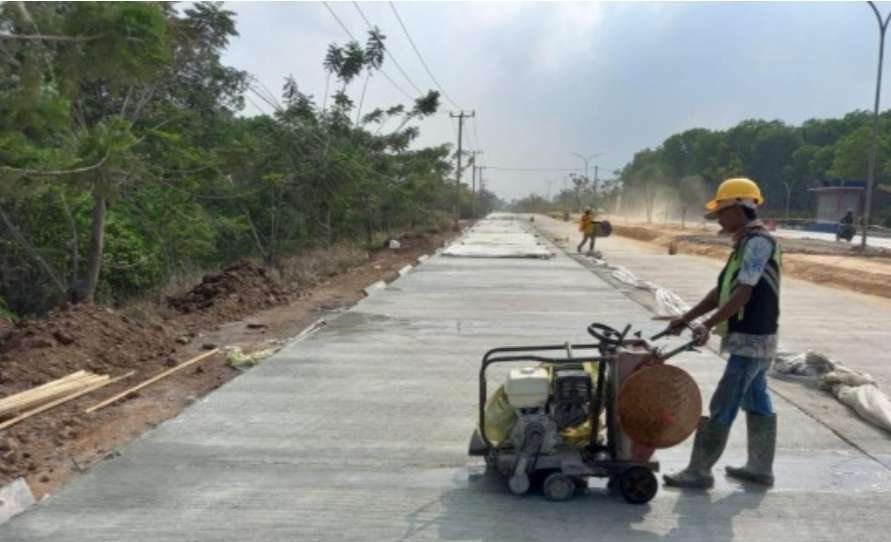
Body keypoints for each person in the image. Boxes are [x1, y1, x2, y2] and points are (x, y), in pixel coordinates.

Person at [662, 177, 781, 489]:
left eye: (722, 213)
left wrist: (708, 325)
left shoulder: (758, 242)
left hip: (751, 339)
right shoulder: (745, 242)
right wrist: (686, 318)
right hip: (754, 338)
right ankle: (760, 468)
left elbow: (742, 293)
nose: (720, 220)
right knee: (756, 400)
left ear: (742, 207)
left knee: (723, 403)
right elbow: (721, 291)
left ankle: (699, 471)